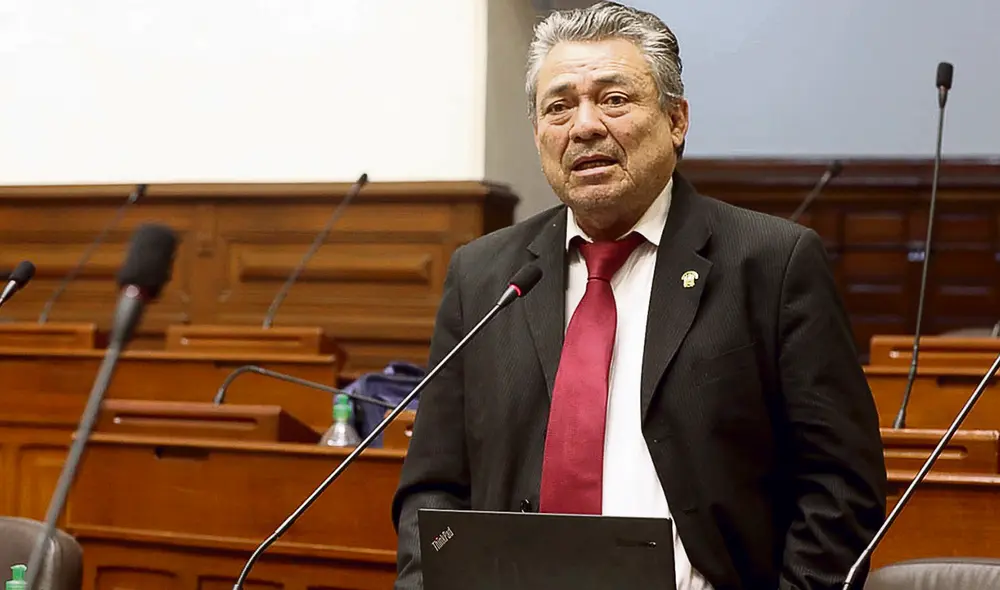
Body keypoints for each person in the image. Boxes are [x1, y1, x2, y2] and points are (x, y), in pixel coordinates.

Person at [391, 2, 887, 589]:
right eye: (558, 107)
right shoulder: (483, 276)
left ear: (676, 120)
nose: (584, 126)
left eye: (614, 99)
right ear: (538, 134)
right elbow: (433, 487)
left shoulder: (772, 263)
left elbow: (839, 485)